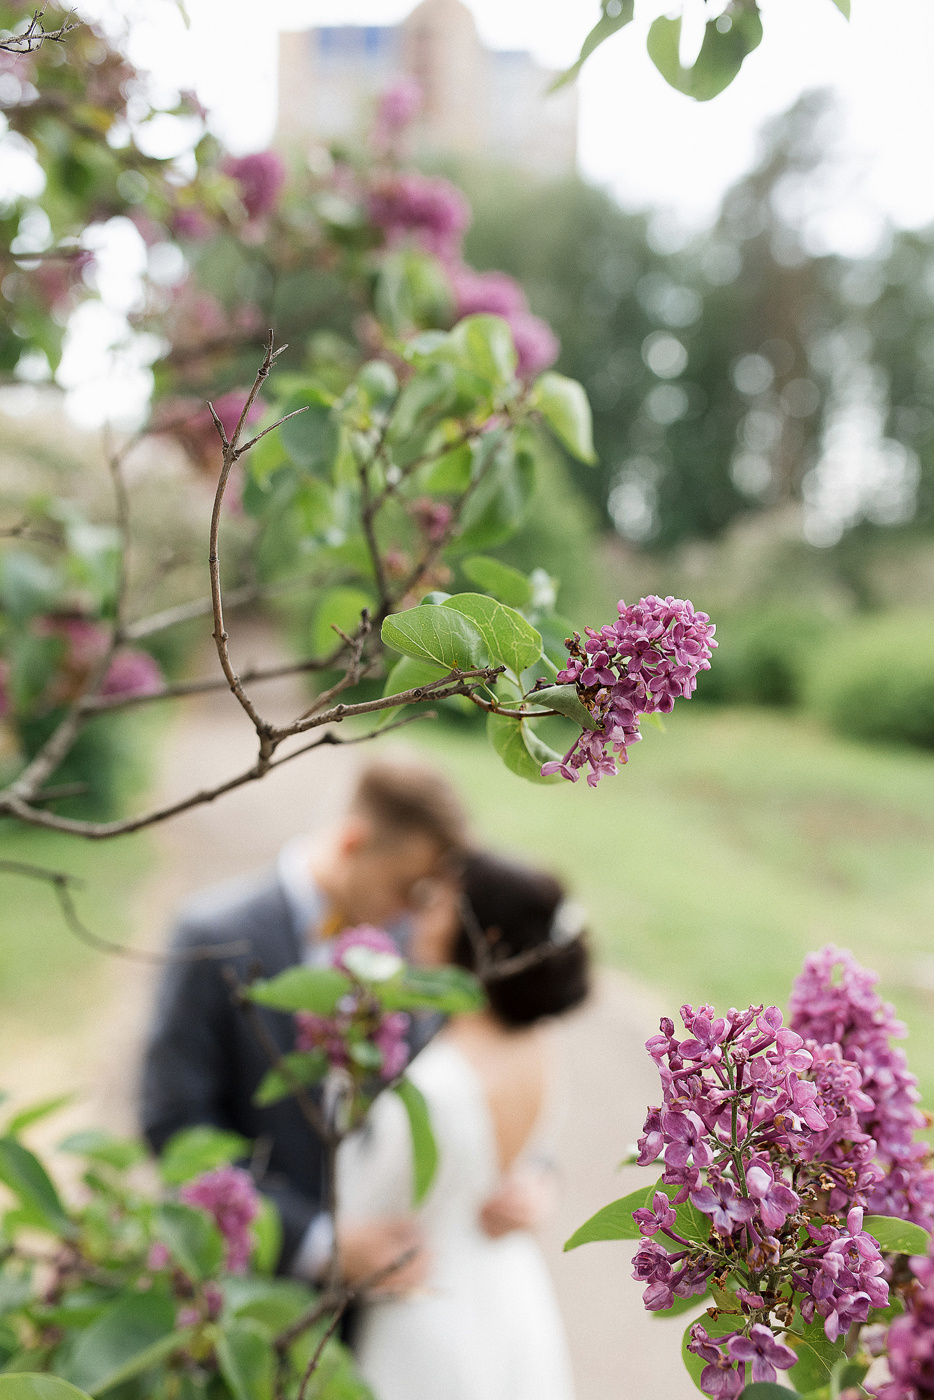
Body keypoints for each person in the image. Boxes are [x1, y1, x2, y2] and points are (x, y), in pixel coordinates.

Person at [139, 757, 546, 1288]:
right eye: (406, 888)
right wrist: (315, 1243)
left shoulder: (413, 948)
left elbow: (478, 1065)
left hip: (394, 1296)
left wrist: (534, 1172)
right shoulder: (212, 938)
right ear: (353, 843)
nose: (414, 912)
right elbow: (174, 1127)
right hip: (254, 1284)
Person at [337, 850, 591, 1400]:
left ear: (483, 937)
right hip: (509, 1295)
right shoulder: (538, 1049)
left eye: (439, 906)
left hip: (426, 1315)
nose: (420, 918)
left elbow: (366, 1211)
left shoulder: (435, 1086)